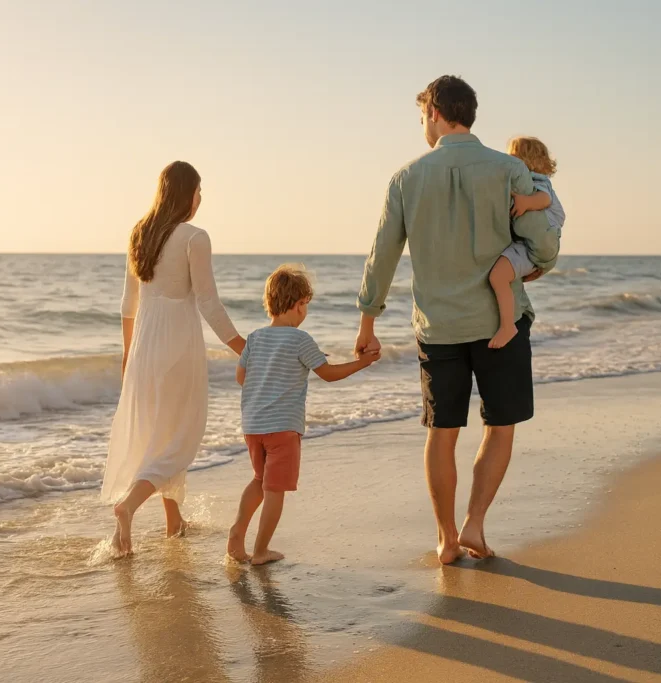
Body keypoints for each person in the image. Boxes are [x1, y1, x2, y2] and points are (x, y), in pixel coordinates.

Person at [354, 76, 559, 564]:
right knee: (500, 425)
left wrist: (368, 321)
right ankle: (475, 524)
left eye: (422, 114)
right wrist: (534, 269)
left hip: (438, 327)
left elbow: (382, 255)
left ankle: (446, 538)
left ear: (434, 113)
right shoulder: (509, 169)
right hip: (499, 323)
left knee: (441, 431)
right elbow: (545, 242)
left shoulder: (406, 177)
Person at [102, 160, 245, 556]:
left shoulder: (140, 233)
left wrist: (128, 356)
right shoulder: (195, 237)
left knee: (161, 435)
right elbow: (208, 303)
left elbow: (127, 305)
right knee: (180, 438)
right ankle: (128, 506)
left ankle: (173, 522)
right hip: (178, 345)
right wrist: (246, 348)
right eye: (199, 192)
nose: (201, 200)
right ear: (187, 194)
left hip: (145, 346)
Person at [227, 265, 379, 566]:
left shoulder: (255, 338)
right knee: (275, 490)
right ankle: (260, 551)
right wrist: (361, 364)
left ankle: (236, 533)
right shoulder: (300, 340)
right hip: (283, 429)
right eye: (305, 306)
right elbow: (328, 374)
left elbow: (241, 377)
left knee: (258, 480)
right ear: (298, 305)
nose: (305, 312)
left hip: (253, 426)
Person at [488, 136, 567, 348]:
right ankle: (507, 323)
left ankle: (507, 326)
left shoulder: (536, 180)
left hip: (538, 243)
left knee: (497, 276)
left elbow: (544, 200)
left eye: (511, 157)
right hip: (529, 245)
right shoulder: (523, 183)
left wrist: (526, 202)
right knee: (499, 276)